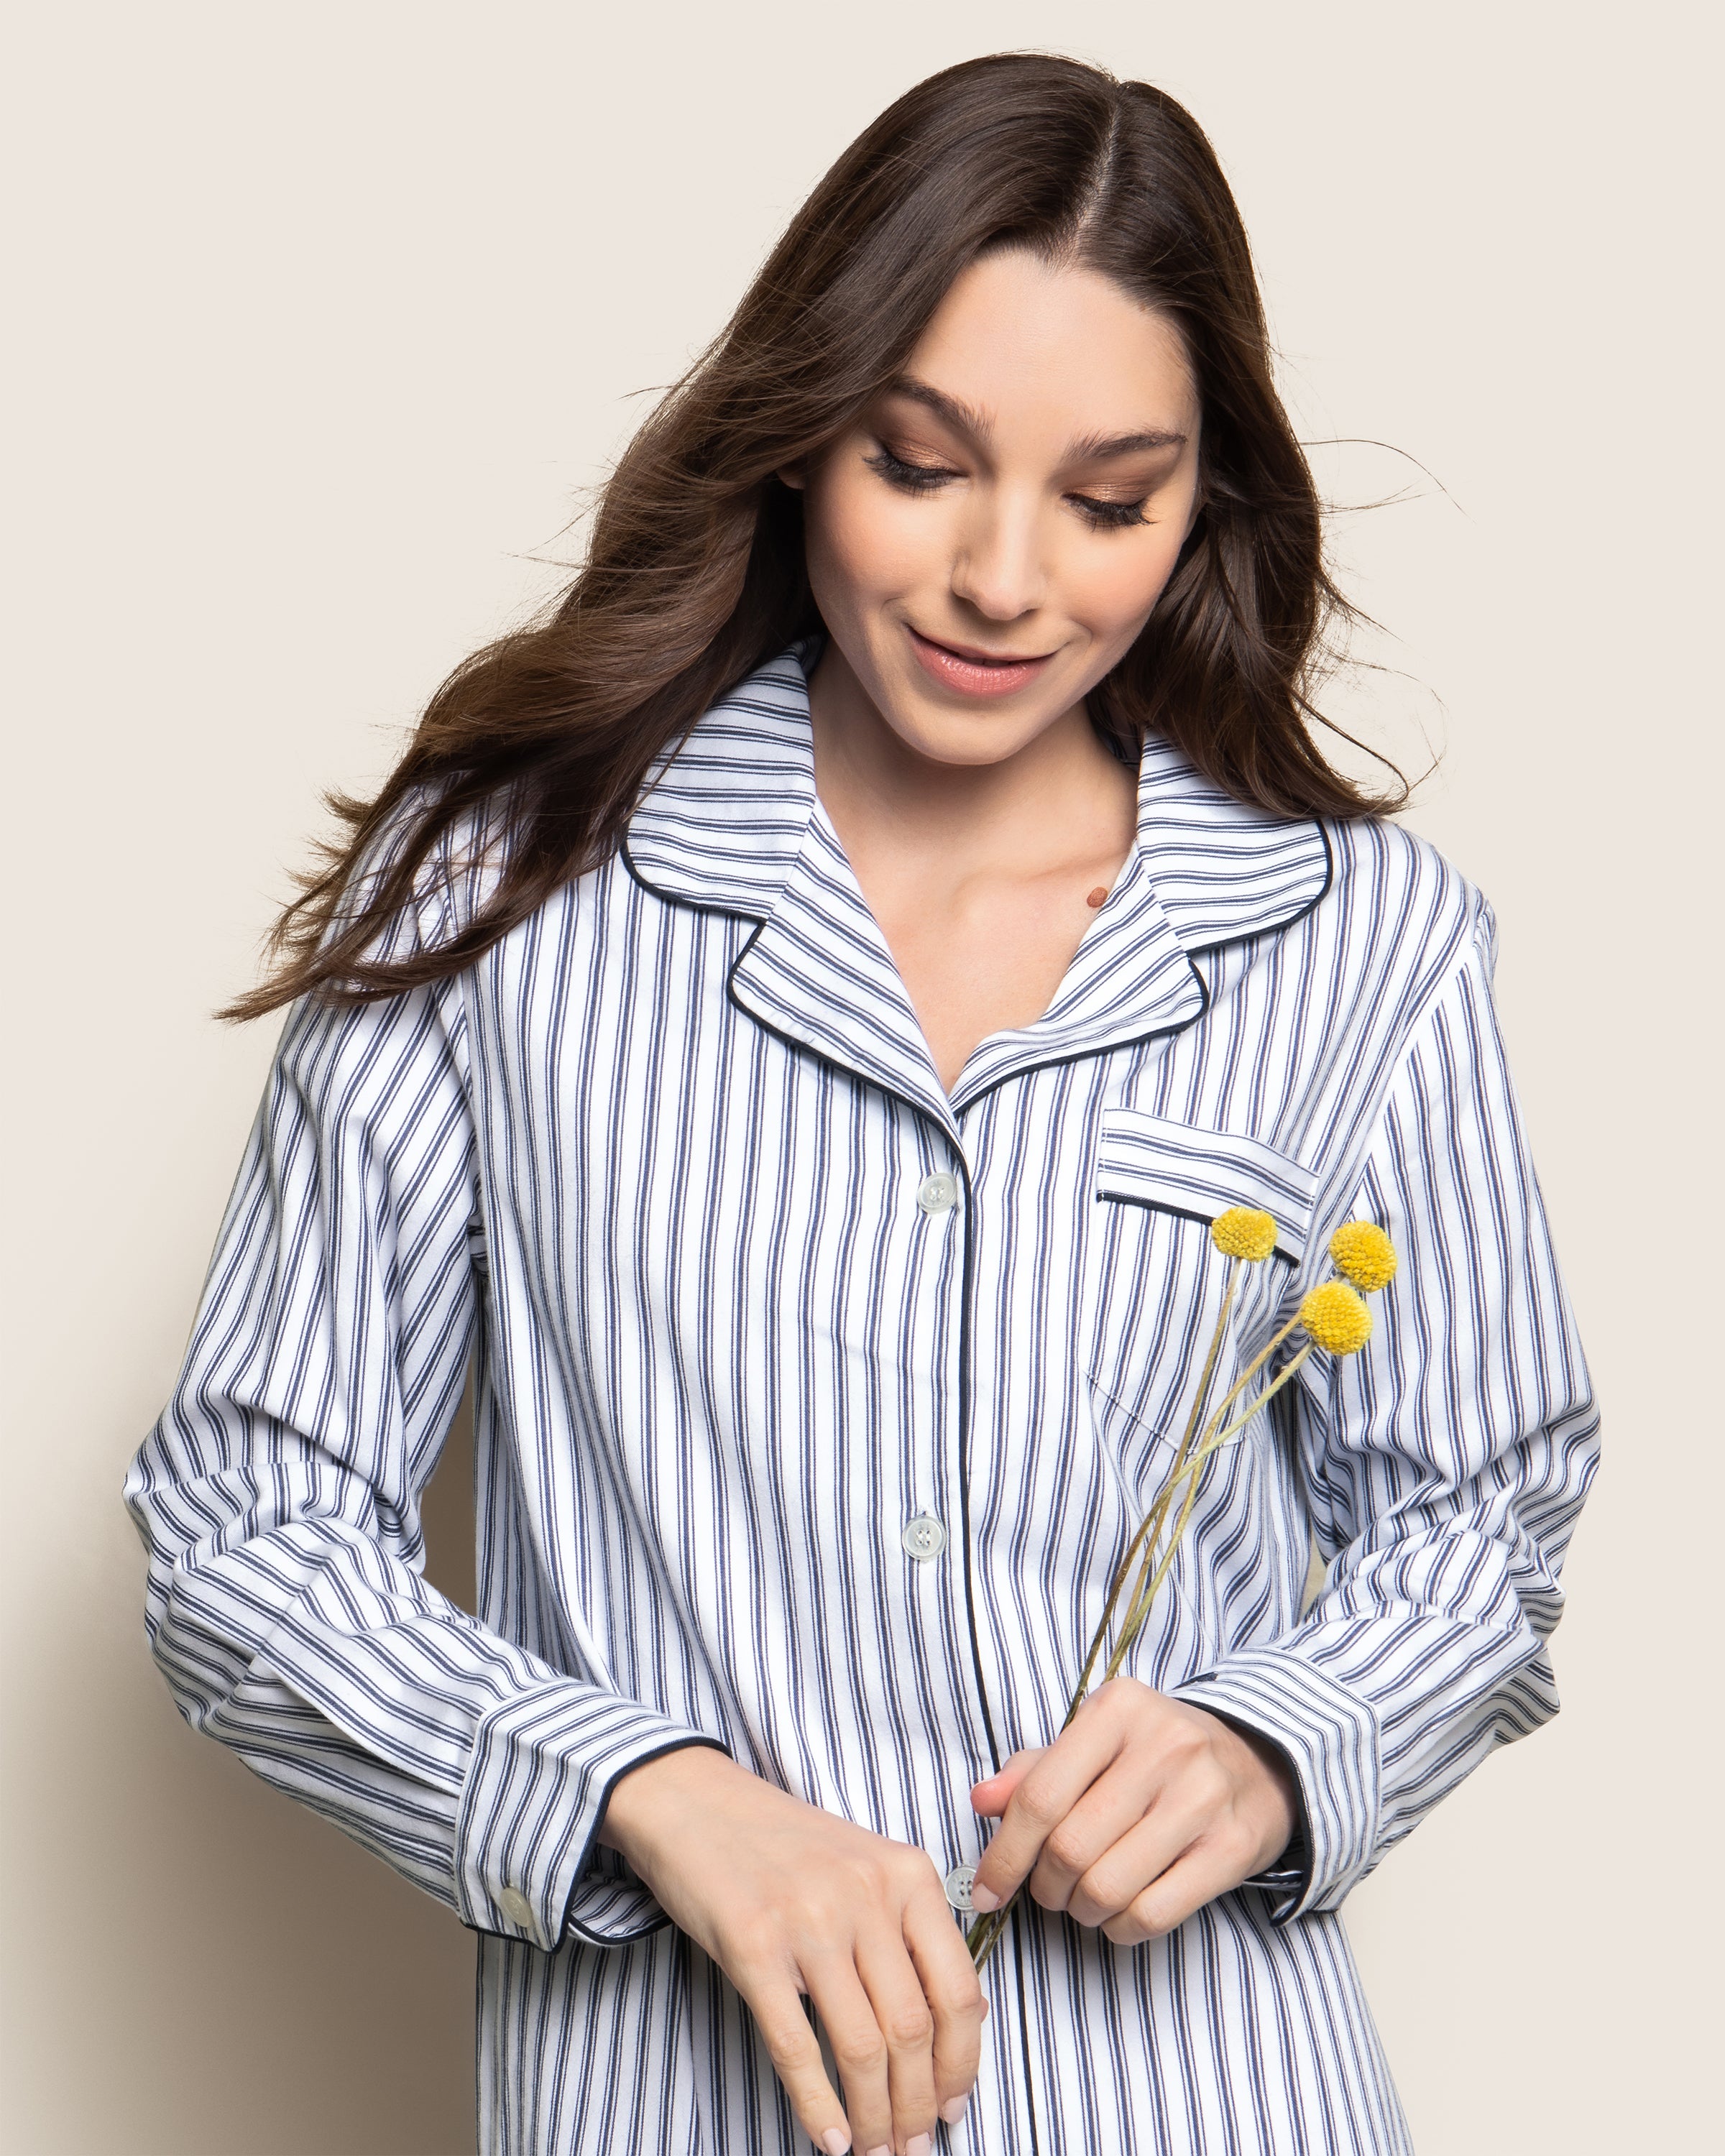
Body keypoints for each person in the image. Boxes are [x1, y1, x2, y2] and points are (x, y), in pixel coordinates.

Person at [123, 51, 1598, 2156]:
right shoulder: (499, 892)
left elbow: (1484, 1512)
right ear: (804, 435)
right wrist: (646, 1793)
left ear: (1205, 506)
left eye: (1110, 502)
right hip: (678, 2101)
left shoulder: (1358, 940)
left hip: (1216, 2099)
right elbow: (242, 1534)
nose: (1009, 579)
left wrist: (1273, 1744)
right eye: (922, 467)